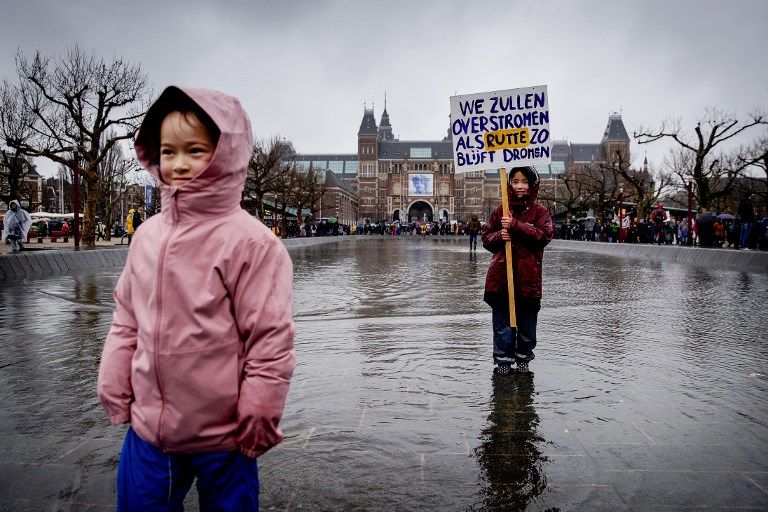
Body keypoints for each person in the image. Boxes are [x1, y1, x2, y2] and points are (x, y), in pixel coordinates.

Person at [97, 86, 295, 511]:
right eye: (168, 151)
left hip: (225, 435)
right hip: (151, 430)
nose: (179, 163)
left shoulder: (253, 244)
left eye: (195, 150)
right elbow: (127, 316)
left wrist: (260, 408)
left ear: (225, 153)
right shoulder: (146, 236)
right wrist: (114, 373)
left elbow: (269, 338)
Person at [481, 166, 554, 375]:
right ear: (509, 183)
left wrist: (516, 225)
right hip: (501, 277)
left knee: (527, 322)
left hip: (528, 279)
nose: (520, 186)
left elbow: (544, 236)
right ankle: (503, 361)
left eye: (524, 181)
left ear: (532, 184)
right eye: (515, 181)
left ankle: (523, 359)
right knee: (502, 322)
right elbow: (486, 238)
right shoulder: (500, 210)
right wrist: (499, 236)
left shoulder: (540, 212)